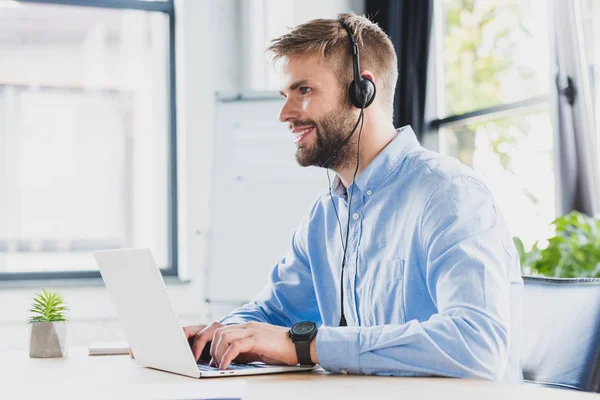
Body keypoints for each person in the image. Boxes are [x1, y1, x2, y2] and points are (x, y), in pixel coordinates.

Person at [183, 13, 523, 384]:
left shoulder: (448, 194)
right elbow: (275, 312)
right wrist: (216, 337)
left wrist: (309, 345)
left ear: (363, 90)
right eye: (285, 95)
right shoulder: (325, 216)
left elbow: (478, 344)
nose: (285, 114)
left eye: (304, 90)